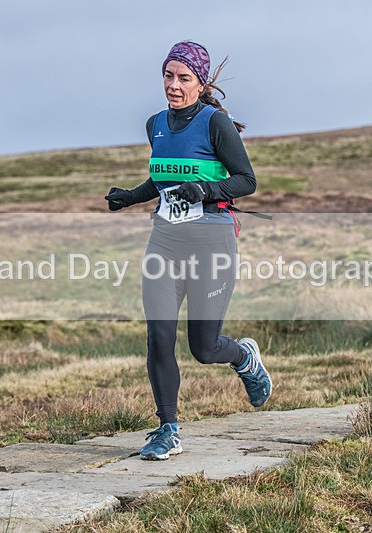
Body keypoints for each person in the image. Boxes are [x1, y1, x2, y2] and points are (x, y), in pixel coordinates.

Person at [105, 41, 272, 461]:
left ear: (201, 82)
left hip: (211, 242)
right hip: (165, 240)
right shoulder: (155, 124)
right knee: (158, 336)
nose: (173, 86)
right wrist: (129, 196)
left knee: (204, 347)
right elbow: (161, 179)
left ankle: (244, 357)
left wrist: (209, 190)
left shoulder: (217, 123)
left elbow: (246, 180)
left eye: (183, 78)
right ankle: (167, 428)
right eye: (168, 76)